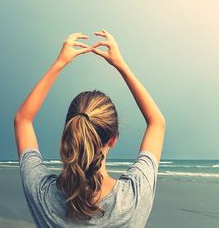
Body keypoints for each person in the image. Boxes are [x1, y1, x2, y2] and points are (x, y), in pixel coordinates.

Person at [14, 29, 166, 228]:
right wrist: (120, 64)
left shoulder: (43, 194)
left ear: (69, 132)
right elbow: (157, 123)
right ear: (113, 139)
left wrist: (59, 63)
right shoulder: (132, 198)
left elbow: (22, 120)